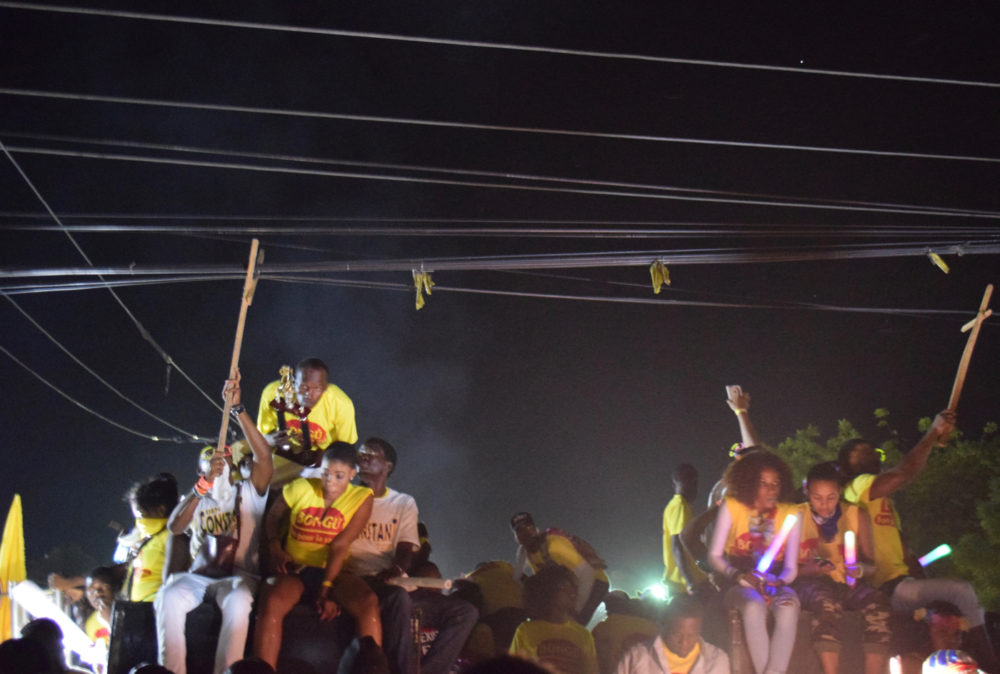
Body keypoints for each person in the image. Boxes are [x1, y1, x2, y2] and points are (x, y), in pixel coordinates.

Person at [838, 411, 999, 672]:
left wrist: (931, 593)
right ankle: (990, 663)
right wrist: (932, 434)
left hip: (905, 585)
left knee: (950, 610)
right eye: (861, 451)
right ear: (846, 466)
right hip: (885, 587)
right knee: (962, 590)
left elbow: (906, 553)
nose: (870, 453)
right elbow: (902, 474)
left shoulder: (885, 504)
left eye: (872, 450)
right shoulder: (855, 488)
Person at [155, 373, 274, 674]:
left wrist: (237, 408)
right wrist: (202, 486)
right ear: (200, 470)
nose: (219, 466)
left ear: (233, 465)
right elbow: (175, 528)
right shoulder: (198, 498)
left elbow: (265, 456)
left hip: (238, 575)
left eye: (223, 461)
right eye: (210, 463)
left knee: (239, 600)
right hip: (200, 577)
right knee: (168, 595)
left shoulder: (247, 492)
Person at [346, 437, 478, 674]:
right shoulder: (346, 496)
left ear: (388, 466)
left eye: (371, 453)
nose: (363, 457)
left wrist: (396, 571)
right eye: (361, 453)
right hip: (357, 581)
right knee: (399, 599)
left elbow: (406, 548)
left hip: (390, 582)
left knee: (465, 612)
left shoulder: (403, 502)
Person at [252, 442, 385, 671]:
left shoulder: (362, 497)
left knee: (368, 602)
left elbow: (340, 545)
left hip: (334, 571)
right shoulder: (300, 488)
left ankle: (371, 668)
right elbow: (273, 517)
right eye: (325, 474)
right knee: (272, 600)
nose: (330, 482)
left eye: (339, 476)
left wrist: (325, 590)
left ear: (352, 474)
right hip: (297, 569)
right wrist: (275, 547)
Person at [708, 450, 801, 674]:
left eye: (776, 483)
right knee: (753, 607)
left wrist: (780, 582)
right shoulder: (732, 506)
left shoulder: (792, 513)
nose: (771, 489)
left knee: (789, 607)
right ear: (749, 483)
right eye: (763, 483)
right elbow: (714, 556)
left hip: (775, 581)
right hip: (737, 582)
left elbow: (791, 567)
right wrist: (738, 576)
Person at [793, 461, 890, 674]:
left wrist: (860, 569)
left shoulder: (856, 515)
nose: (825, 505)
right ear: (806, 491)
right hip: (810, 582)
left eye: (831, 498)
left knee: (878, 602)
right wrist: (808, 570)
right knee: (827, 604)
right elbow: (780, 568)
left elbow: (872, 565)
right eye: (817, 498)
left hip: (847, 583)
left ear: (840, 492)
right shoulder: (795, 517)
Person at [256, 358, 358, 484]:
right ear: (293, 383)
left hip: (321, 460)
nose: (309, 394)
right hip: (283, 454)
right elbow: (261, 435)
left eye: (317, 389)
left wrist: (321, 457)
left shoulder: (341, 403)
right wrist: (271, 439)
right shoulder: (273, 393)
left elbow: (345, 450)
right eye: (303, 387)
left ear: (326, 388)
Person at [511, 512, 609, 625]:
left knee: (573, 625)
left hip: (595, 582)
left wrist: (576, 608)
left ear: (535, 529)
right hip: (573, 585)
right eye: (519, 530)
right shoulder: (528, 554)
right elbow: (520, 578)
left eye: (528, 527)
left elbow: (587, 573)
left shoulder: (554, 546)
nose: (524, 533)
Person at [510, 565, 599, 674]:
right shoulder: (525, 631)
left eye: (575, 586)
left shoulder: (583, 635)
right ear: (548, 590)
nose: (573, 591)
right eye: (565, 585)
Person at [614, 595, 730, 674]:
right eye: (677, 635)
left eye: (691, 636)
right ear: (664, 628)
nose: (684, 643)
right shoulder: (637, 657)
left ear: (700, 630)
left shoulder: (717, 660)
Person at [123, 473, 179, 602]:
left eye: (141, 515)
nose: (138, 522)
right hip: (140, 613)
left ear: (161, 510)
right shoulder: (149, 541)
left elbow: (174, 583)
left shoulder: (173, 538)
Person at [591, 591, 659, 674]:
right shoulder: (656, 629)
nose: (606, 609)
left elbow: (590, 655)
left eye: (609, 604)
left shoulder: (608, 625)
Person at [663, 463, 705, 597]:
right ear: (693, 483)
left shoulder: (673, 505)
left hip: (683, 581)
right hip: (683, 583)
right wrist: (690, 582)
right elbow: (677, 545)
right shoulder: (680, 505)